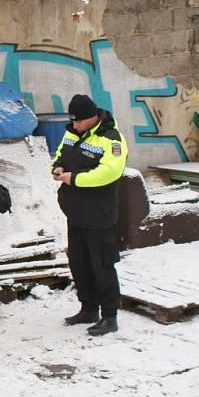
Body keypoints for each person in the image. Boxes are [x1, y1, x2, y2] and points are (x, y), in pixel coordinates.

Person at [52, 94, 127, 336]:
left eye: (79, 122)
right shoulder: (73, 132)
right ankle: (88, 308)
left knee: (101, 265)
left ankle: (109, 315)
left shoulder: (111, 139)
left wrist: (75, 179)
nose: (74, 126)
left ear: (92, 118)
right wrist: (58, 166)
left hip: (98, 215)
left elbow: (109, 172)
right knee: (80, 263)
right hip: (75, 213)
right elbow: (61, 152)